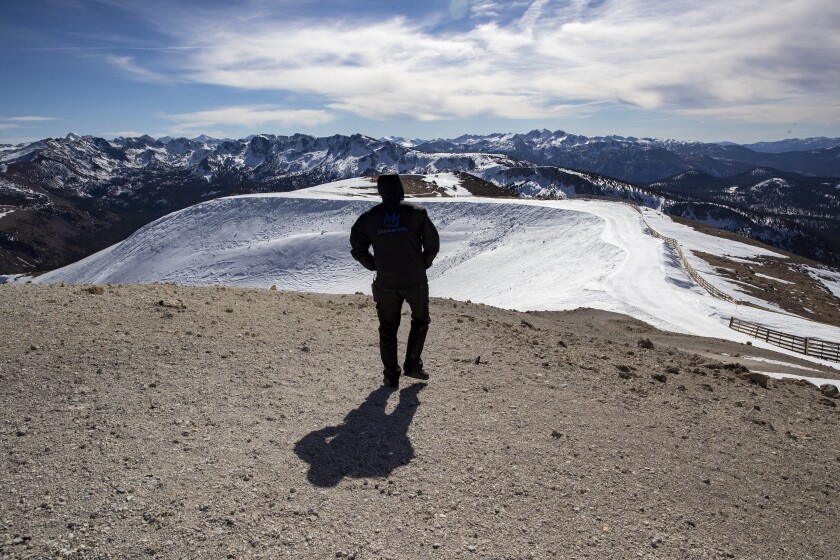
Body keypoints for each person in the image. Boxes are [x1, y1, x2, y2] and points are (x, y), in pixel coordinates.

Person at [350, 174, 440, 389]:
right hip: (415, 280)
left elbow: (357, 246)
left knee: (388, 329)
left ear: (380, 191)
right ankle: (412, 365)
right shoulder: (416, 212)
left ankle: (391, 376)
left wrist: (373, 265)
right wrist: (422, 263)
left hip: (386, 283)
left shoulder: (369, 217)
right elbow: (432, 243)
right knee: (420, 320)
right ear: (400, 188)